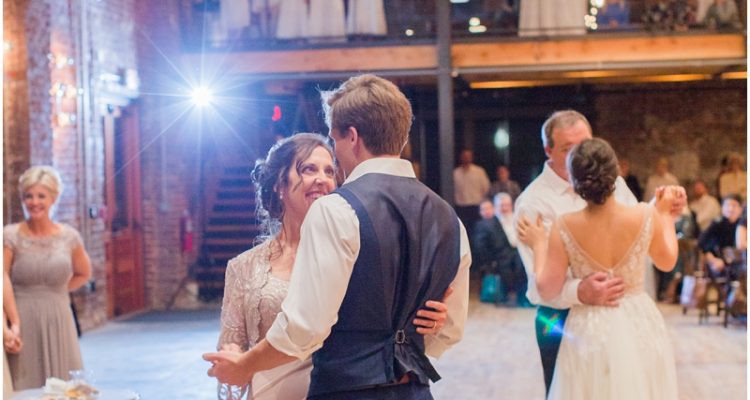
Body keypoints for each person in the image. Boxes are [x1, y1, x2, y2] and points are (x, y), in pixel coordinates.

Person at [205, 74, 471, 399]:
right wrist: (410, 332)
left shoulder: (337, 209)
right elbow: (450, 330)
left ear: (352, 137)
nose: (335, 156)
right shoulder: (450, 220)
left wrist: (245, 366)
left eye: (334, 141)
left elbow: (306, 329)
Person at [513, 110, 687, 393]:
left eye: (585, 144)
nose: (582, 154)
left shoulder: (610, 191)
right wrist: (580, 291)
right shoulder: (532, 203)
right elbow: (539, 289)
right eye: (569, 148)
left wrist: (663, 211)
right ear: (549, 150)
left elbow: (634, 231)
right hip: (562, 320)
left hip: (629, 321)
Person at [4, 165, 92, 389]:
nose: (34, 202)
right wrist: (12, 323)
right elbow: (2, 276)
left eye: (41, 196)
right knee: (25, 382)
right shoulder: (10, 236)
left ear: (54, 198)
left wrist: (58, 290)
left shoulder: (69, 237)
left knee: (65, 386)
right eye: (29, 196)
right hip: (22, 314)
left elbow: (84, 273)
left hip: (59, 316)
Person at [473, 193, 529, 306]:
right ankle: (507, 295)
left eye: (507, 205)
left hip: (519, 253)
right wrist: (489, 262)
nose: (504, 208)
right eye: (501, 206)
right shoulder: (487, 224)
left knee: (525, 263)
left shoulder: (518, 219)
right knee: (508, 266)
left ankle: (524, 298)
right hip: (498, 257)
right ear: (495, 207)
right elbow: (480, 247)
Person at [453, 149, 490, 234]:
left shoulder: (479, 171)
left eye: (468, 156)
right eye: (464, 156)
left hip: (476, 206)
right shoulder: (455, 173)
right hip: (461, 207)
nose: (466, 158)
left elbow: (486, 188)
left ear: (472, 157)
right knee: (463, 231)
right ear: (461, 158)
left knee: (477, 230)